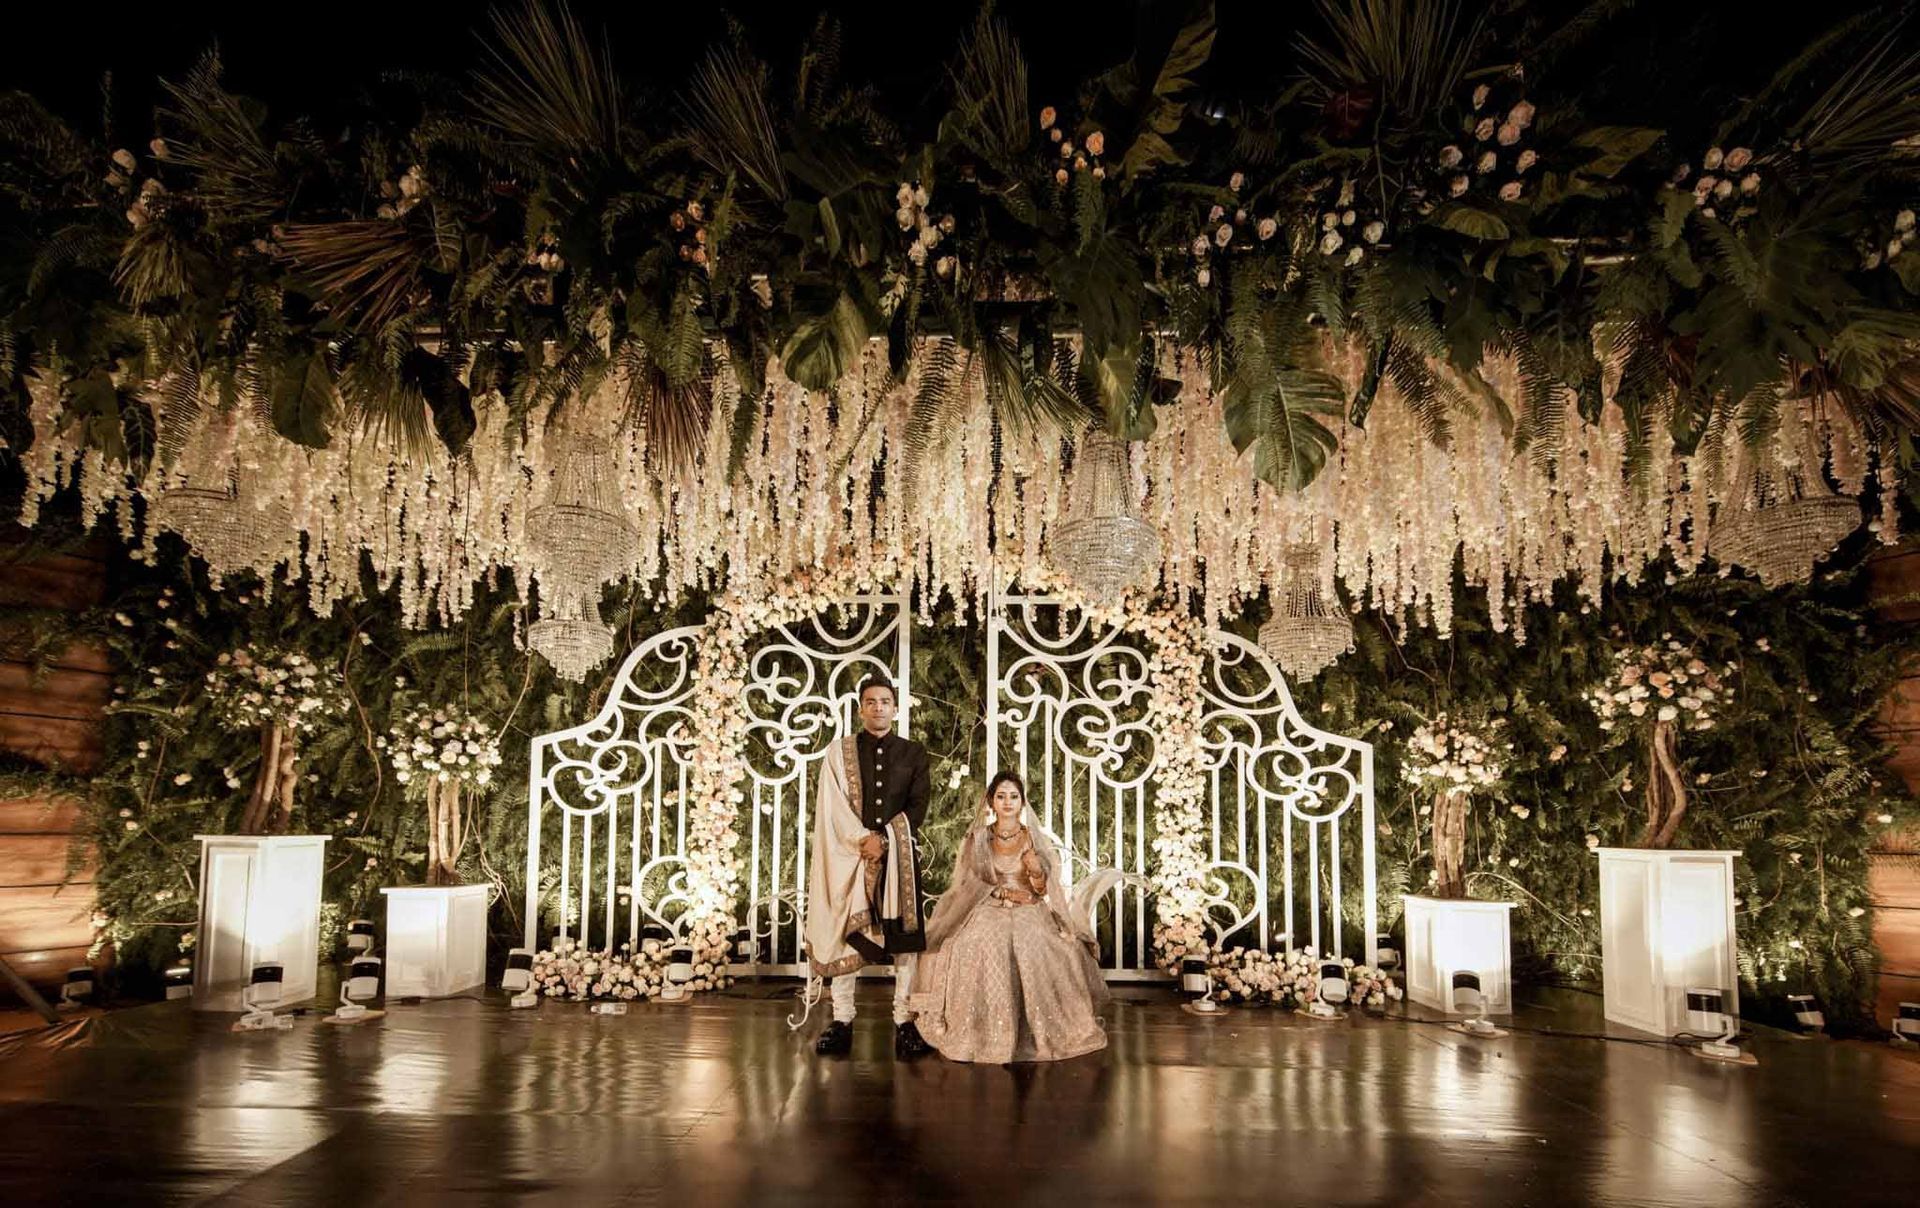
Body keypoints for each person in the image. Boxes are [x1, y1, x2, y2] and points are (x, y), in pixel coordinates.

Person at [908, 771, 1109, 1063]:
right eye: (1001, 796)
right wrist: (999, 896)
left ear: (1022, 802)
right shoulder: (977, 839)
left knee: (1037, 944)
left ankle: (1038, 1030)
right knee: (975, 942)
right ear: (991, 801)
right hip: (987, 905)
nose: (1007, 802)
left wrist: (1035, 871)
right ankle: (978, 1031)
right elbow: (968, 885)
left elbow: (1041, 890)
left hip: (1029, 907)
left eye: (1013, 796)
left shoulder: (1032, 840)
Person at [803, 674, 933, 1058]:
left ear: (895, 708)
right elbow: (833, 806)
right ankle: (842, 1021)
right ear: (860, 709)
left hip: (898, 861)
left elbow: (918, 804)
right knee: (849, 934)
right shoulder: (839, 752)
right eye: (871, 702)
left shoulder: (913, 753)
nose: (879, 708)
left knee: (903, 940)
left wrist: (886, 840)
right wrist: (864, 840)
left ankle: (903, 1021)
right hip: (851, 857)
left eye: (885, 701)